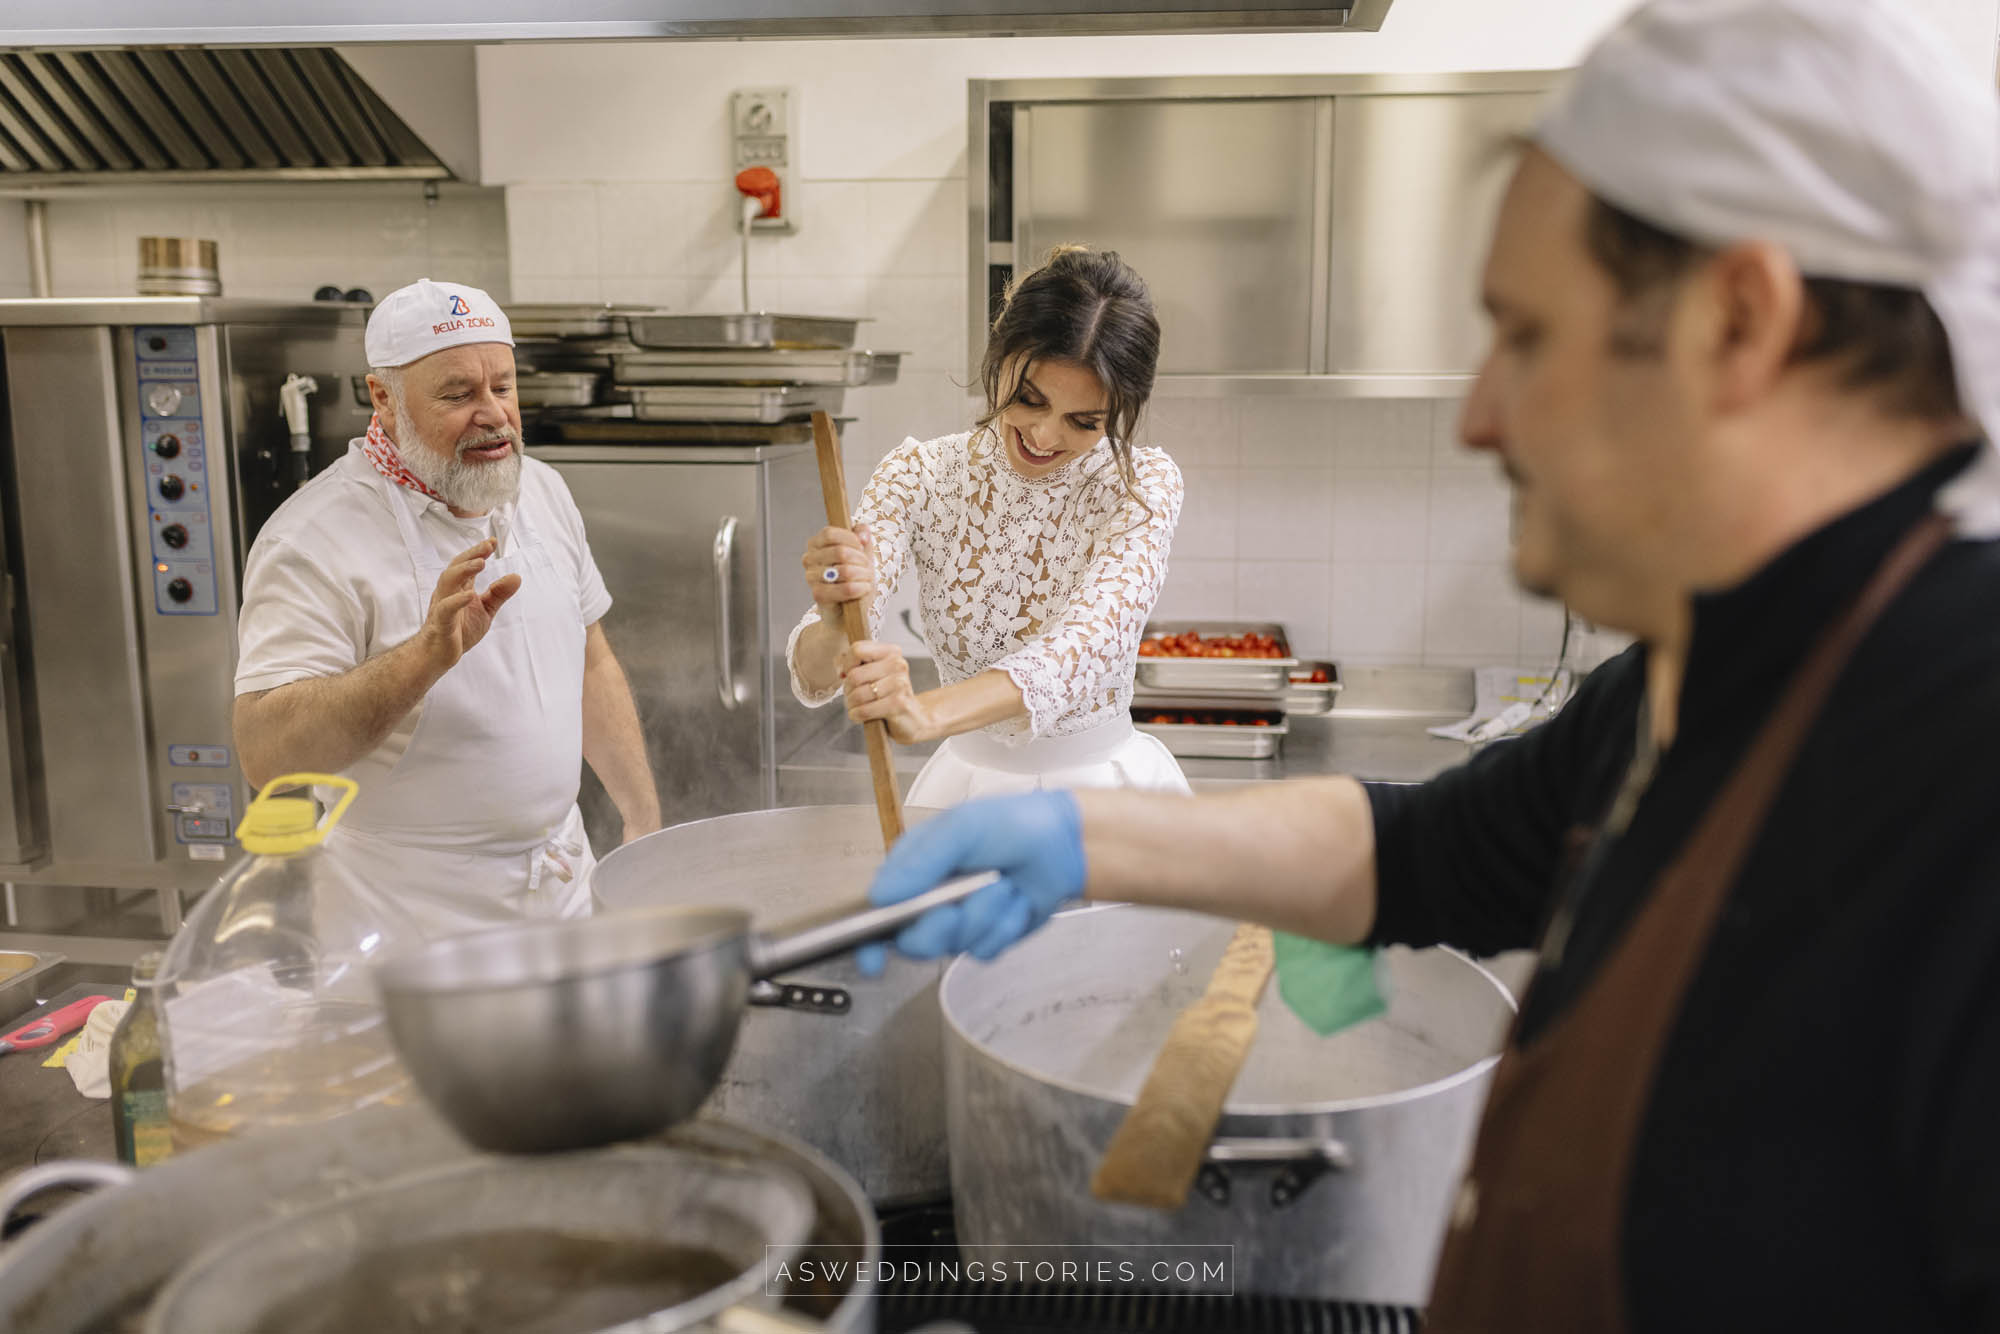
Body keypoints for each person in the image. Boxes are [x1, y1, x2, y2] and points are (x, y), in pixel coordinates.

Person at [852, 1, 2000, 1327]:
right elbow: (1419, 849)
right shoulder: (1694, 684)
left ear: (1739, 324)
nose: (1479, 415)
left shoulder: (1960, 758)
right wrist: (1081, 837)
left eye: (1527, 334)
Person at [232, 279, 660, 937]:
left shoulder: (542, 490)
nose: (492, 415)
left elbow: (590, 662)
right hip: (407, 924)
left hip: (563, 894)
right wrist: (422, 659)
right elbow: (266, 755)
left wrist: (642, 821)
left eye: (503, 387)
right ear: (383, 399)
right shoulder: (310, 540)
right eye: (458, 395)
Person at [787, 245, 1190, 803]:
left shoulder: (1141, 486)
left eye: (1083, 421)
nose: (1044, 436)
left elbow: (1087, 642)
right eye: (1029, 399)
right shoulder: (917, 474)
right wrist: (836, 620)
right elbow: (817, 676)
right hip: (966, 788)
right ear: (999, 356)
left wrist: (923, 713)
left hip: (1101, 798)